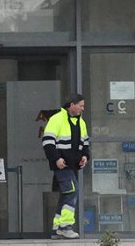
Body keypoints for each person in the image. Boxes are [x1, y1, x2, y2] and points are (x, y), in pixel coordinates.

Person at [42, 93, 90, 239]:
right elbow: (48, 142)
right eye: (80, 105)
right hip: (62, 165)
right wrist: (56, 159)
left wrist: (85, 156)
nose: (83, 108)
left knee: (66, 193)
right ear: (72, 105)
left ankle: (57, 227)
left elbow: (85, 143)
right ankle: (65, 226)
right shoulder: (57, 119)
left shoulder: (81, 122)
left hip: (73, 165)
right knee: (72, 191)